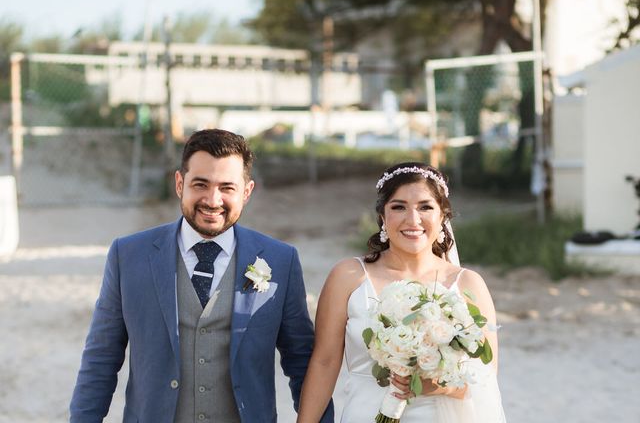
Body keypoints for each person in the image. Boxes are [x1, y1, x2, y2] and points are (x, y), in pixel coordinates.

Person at [70, 129, 333, 423]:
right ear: (180, 183)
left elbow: (302, 363)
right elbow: (101, 359)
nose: (212, 199)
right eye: (201, 184)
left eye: (227, 187)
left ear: (246, 192)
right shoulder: (128, 255)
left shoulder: (280, 260)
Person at [297, 162, 506, 422]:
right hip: (365, 412)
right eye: (399, 207)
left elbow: (485, 377)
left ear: (443, 216)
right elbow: (325, 362)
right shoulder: (348, 277)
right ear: (383, 216)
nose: (413, 220)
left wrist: (438, 385)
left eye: (425, 207)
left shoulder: (467, 284)